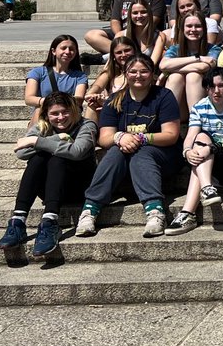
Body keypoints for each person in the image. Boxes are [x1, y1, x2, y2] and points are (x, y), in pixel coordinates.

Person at [76, 55, 182, 239]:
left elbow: (171, 135)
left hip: (164, 156)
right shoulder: (115, 100)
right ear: (125, 74)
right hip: (125, 157)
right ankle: (89, 210)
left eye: (144, 71)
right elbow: (105, 138)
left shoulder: (163, 96)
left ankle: (155, 211)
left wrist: (140, 137)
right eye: (133, 71)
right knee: (116, 150)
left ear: (152, 74)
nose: (138, 75)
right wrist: (120, 136)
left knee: (142, 151)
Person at [0, 93, 97, 258]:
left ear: (74, 110)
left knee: (56, 156)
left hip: (79, 187)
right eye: (54, 113)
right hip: (50, 189)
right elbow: (21, 152)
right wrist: (57, 137)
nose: (60, 117)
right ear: (46, 114)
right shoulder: (42, 127)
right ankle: (18, 221)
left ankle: (50, 221)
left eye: (65, 112)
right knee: (38, 158)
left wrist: (37, 142)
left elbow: (77, 151)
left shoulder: (86, 126)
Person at [166, 67, 223, 235]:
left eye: (221, 86)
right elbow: (190, 135)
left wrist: (210, 148)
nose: (216, 91)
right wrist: (187, 152)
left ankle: (188, 212)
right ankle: (206, 190)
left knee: (203, 145)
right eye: (212, 86)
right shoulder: (199, 107)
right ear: (206, 88)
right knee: (201, 138)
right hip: (209, 161)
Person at [23, 34, 88, 126]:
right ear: (53, 51)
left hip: (67, 117)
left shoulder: (80, 76)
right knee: (38, 110)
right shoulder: (37, 72)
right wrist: (49, 103)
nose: (67, 51)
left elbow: (79, 99)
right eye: (63, 48)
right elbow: (29, 98)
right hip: (45, 115)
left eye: (71, 49)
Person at [82, 35, 136, 121]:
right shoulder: (111, 72)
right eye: (119, 52)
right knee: (92, 104)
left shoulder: (140, 72)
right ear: (113, 56)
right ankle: (88, 133)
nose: (124, 55)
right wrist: (92, 94)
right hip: (111, 110)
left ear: (134, 51)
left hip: (132, 110)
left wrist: (108, 102)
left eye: (127, 50)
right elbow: (98, 86)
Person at [123, 0, 167, 65]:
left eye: (143, 12)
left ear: (149, 14)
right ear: (130, 16)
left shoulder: (159, 36)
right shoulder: (121, 35)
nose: (139, 16)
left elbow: (152, 63)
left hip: (147, 71)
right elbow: (111, 63)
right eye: (135, 13)